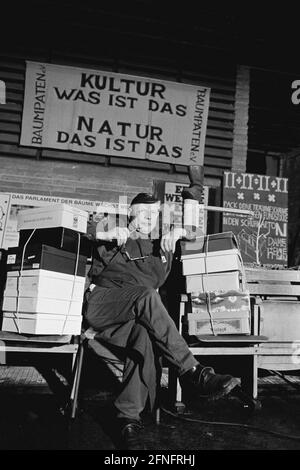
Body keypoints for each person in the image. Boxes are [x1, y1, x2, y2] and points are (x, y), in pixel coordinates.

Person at [83, 192, 240, 450]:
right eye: (143, 212)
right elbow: (85, 228)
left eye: (154, 214)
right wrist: (110, 234)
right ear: (131, 212)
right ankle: (192, 371)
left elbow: (196, 232)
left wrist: (179, 230)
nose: (149, 218)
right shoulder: (113, 226)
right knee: (146, 295)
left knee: (144, 338)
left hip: (135, 315)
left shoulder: (162, 243)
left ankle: (127, 420)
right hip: (104, 305)